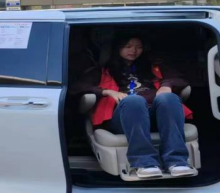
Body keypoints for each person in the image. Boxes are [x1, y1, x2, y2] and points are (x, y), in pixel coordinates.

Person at [79, 34, 197, 180]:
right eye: (128, 46)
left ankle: (177, 161)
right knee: (134, 100)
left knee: (169, 97)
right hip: (124, 116)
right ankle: (145, 163)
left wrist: (166, 85)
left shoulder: (154, 67)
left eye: (139, 47)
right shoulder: (103, 71)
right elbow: (78, 87)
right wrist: (107, 92)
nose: (134, 51)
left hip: (154, 114)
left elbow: (181, 79)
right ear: (117, 48)